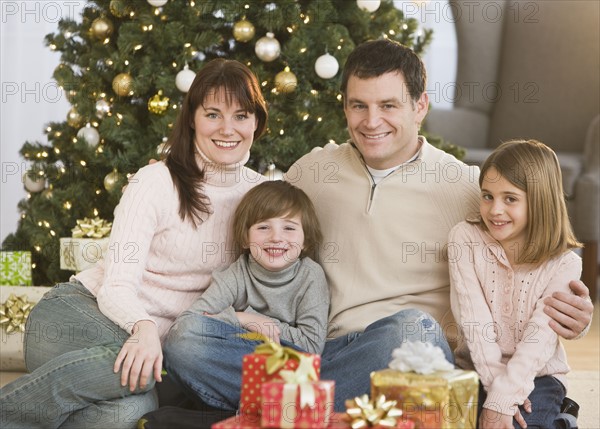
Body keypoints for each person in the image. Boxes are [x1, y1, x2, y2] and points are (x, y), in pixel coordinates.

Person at [162, 39, 594, 416]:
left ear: (420, 105)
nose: (372, 122)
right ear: (345, 106)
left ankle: (286, 406)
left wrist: (576, 317)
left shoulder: (466, 187)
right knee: (186, 338)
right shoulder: (313, 172)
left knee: (412, 329)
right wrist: (173, 176)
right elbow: (250, 209)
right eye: (359, 105)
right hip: (317, 351)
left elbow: (526, 265)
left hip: (408, 354)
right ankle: (313, 407)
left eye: (388, 106)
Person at [0, 58, 268, 429]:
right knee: (143, 378)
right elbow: (118, 285)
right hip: (79, 316)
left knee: (130, 413)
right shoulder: (155, 183)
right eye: (213, 114)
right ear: (192, 118)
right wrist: (143, 328)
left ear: (257, 122)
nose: (228, 129)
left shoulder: (260, 196)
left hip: (153, 353)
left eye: (241, 115)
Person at [449, 140, 584, 429]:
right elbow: (475, 323)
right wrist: (496, 398)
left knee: (521, 422)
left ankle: (559, 416)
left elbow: (538, 339)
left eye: (510, 198)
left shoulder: (565, 263)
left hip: (537, 376)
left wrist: (504, 399)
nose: (495, 209)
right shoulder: (464, 239)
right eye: (487, 196)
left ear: (539, 200)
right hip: (477, 368)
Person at [164, 180, 329, 400]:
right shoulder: (237, 273)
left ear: (306, 239)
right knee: (181, 343)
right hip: (241, 359)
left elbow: (311, 346)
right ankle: (277, 402)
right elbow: (190, 321)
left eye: (289, 228)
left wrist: (263, 324)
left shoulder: (311, 275)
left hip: (291, 364)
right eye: (263, 227)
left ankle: (268, 401)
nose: (276, 237)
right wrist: (243, 319)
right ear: (245, 236)